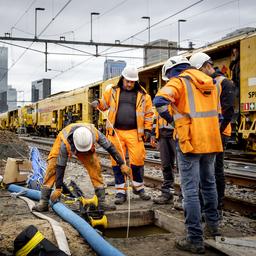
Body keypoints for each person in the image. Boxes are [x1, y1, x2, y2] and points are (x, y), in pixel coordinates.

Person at [153, 56, 223, 254]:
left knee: (190, 190)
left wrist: (175, 121)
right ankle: (213, 226)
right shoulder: (209, 81)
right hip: (211, 140)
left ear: (170, 72)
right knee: (209, 184)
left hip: (190, 141)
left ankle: (194, 239)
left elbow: (159, 101)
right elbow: (219, 114)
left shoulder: (178, 81)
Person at [33, 123, 131, 212]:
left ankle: (101, 202)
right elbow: (60, 166)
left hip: (86, 146)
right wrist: (58, 188)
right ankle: (44, 202)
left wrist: (122, 163)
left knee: (95, 168)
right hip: (65, 142)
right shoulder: (65, 143)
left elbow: (110, 147)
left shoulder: (95, 134)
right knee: (52, 166)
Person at [91, 65, 154, 205]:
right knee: (117, 162)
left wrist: (148, 129)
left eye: (132, 82)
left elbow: (149, 114)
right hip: (116, 133)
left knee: (137, 159)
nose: (130, 84)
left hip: (134, 133)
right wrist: (98, 103)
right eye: (127, 81)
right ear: (122, 79)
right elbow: (104, 104)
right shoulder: (112, 92)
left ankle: (138, 188)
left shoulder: (144, 96)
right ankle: (121, 192)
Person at [190, 52, 235, 219]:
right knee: (205, 171)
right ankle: (205, 206)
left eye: (200, 70)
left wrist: (217, 129)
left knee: (216, 170)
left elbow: (228, 111)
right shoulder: (204, 82)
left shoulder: (224, 83)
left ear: (207, 66)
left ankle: (218, 207)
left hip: (219, 133)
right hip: (206, 132)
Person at [151, 107, 176, 204]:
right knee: (165, 165)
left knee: (183, 167)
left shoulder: (177, 92)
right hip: (162, 135)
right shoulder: (161, 94)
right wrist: (153, 132)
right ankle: (167, 193)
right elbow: (155, 116)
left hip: (177, 133)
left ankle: (184, 197)